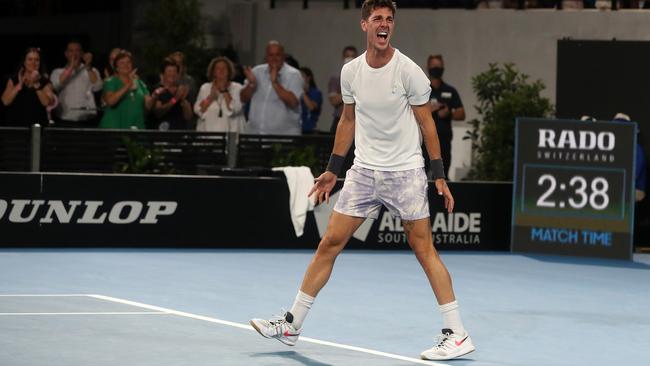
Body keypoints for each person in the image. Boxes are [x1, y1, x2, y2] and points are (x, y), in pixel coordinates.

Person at [249, 1, 475, 361]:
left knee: (423, 249)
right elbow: (347, 122)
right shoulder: (351, 71)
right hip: (364, 172)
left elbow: (427, 124)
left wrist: (438, 175)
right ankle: (292, 324)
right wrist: (333, 170)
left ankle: (458, 333)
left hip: (404, 173)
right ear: (365, 25)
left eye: (389, 19)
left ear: (392, 27)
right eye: (377, 19)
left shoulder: (409, 71)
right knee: (329, 244)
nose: (384, 25)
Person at [240, 41, 303, 135]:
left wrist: (275, 83)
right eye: (271, 55)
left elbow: (293, 102)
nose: (274, 59)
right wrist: (251, 84)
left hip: (282, 137)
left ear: (283, 56)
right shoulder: (257, 71)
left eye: (277, 55)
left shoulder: (294, 75)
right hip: (254, 135)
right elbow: (243, 98)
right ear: (266, 57)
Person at [426, 54, 465, 179]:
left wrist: (449, 113)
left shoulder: (450, 90)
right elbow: (410, 112)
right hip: (424, 141)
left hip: (444, 141)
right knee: (423, 175)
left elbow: (462, 113)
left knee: (442, 176)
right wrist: (428, 110)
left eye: (439, 66)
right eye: (434, 66)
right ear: (428, 67)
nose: (436, 69)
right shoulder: (422, 89)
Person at [50, 40, 103, 127]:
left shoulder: (91, 70)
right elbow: (56, 86)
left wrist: (88, 66)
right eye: (71, 51)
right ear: (66, 54)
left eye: (77, 50)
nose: (74, 53)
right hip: (64, 120)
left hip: (88, 120)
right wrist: (71, 67)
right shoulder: (58, 72)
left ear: (82, 53)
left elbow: (98, 87)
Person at [99, 50, 156, 129]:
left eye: (128, 62)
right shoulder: (111, 82)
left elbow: (148, 107)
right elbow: (110, 101)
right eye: (122, 63)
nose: (126, 65)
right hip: (114, 127)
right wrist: (129, 84)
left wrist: (155, 96)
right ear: (116, 68)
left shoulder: (139, 82)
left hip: (135, 127)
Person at [1, 47, 55, 126]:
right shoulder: (13, 80)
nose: (33, 62)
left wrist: (36, 83)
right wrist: (19, 85)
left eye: (36, 60)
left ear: (40, 63)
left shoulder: (45, 82)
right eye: (30, 59)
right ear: (24, 62)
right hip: (15, 127)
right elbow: (5, 101)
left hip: (37, 128)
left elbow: (46, 102)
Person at [194, 56, 246, 133]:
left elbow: (235, 109)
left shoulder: (237, 88)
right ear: (213, 72)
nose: (221, 71)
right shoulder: (205, 88)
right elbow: (198, 110)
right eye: (218, 68)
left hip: (231, 136)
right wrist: (210, 97)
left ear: (229, 71)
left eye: (224, 68)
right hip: (208, 135)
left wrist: (225, 91)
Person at [151, 57, 192, 130]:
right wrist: (175, 99)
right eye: (169, 71)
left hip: (180, 135)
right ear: (163, 74)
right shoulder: (157, 90)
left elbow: (188, 116)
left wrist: (183, 99)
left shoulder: (181, 90)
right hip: (162, 136)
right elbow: (158, 113)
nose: (172, 74)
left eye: (175, 71)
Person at [328, 45, 358, 133]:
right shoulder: (336, 78)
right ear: (343, 57)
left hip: (358, 120)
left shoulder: (363, 78)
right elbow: (333, 100)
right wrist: (352, 91)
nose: (350, 59)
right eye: (347, 56)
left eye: (352, 57)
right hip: (339, 118)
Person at [299, 67, 322, 134]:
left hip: (308, 130)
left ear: (308, 78)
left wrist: (302, 92)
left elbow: (311, 107)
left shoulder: (315, 93)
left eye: (302, 76)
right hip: (295, 127)